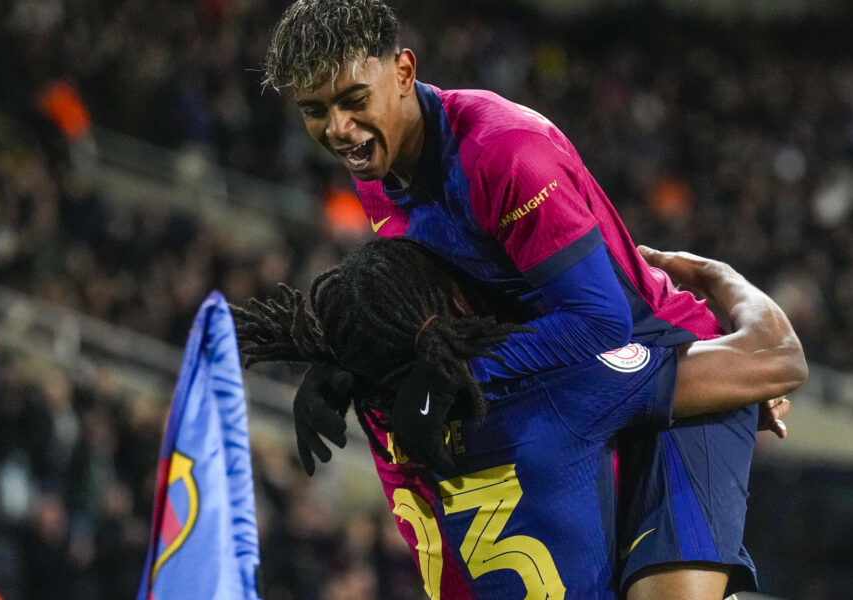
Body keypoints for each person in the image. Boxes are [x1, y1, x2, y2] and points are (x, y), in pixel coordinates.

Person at [260, 1, 795, 596]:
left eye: (354, 100)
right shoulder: (375, 168)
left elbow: (601, 324)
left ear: (404, 72)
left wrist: (452, 375)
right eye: (315, 110)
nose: (336, 128)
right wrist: (347, 366)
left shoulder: (504, 153)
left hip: (659, 363)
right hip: (569, 388)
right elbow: (439, 303)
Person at [233, 239, 804, 599]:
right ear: (450, 309)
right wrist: (713, 273)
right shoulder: (559, 389)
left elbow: (370, 350)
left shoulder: (381, 416)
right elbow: (778, 358)